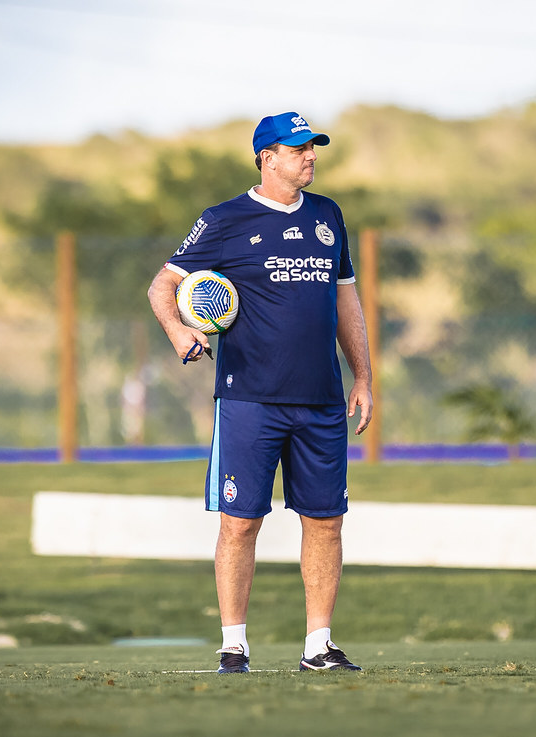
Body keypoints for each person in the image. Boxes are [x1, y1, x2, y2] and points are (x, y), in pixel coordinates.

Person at [147, 112, 373, 674]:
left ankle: (318, 646)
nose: (311, 156)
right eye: (299, 149)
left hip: (321, 398)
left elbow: (347, 301)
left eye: (313, 148)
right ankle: (233, 645)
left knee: (325, 520)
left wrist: (363, 376)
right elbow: (163, 284)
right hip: (248, 398)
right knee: (240, 521)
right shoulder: (225, 220)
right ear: (267, 157)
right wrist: (181, 333)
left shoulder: (329, 215)